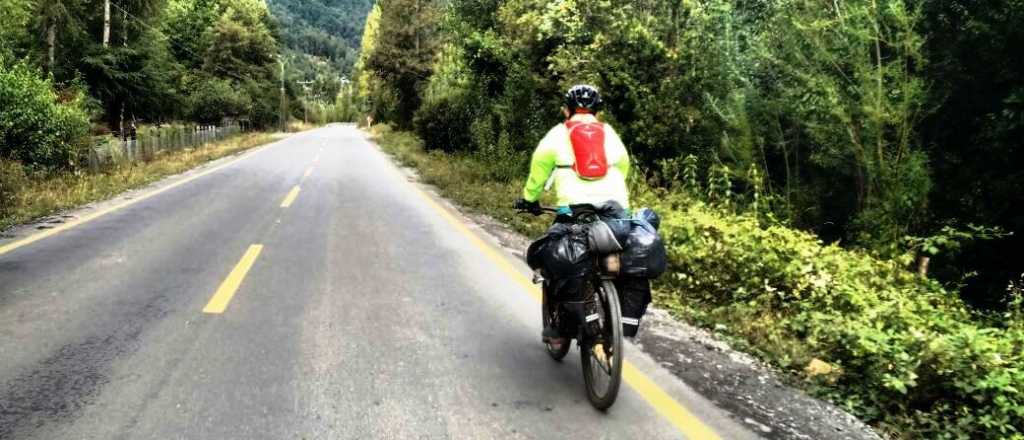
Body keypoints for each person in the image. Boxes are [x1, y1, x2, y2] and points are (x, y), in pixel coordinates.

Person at [515, 84, 638, 348]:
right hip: (615, 212)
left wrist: (530, 199)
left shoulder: (558, 134)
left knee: (555, 259)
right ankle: (611, 305)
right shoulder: (610, 134)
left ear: (566, 110)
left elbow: (539, 166)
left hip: (573, 213)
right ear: (598, 111)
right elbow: (624, 165)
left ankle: (558, 331)